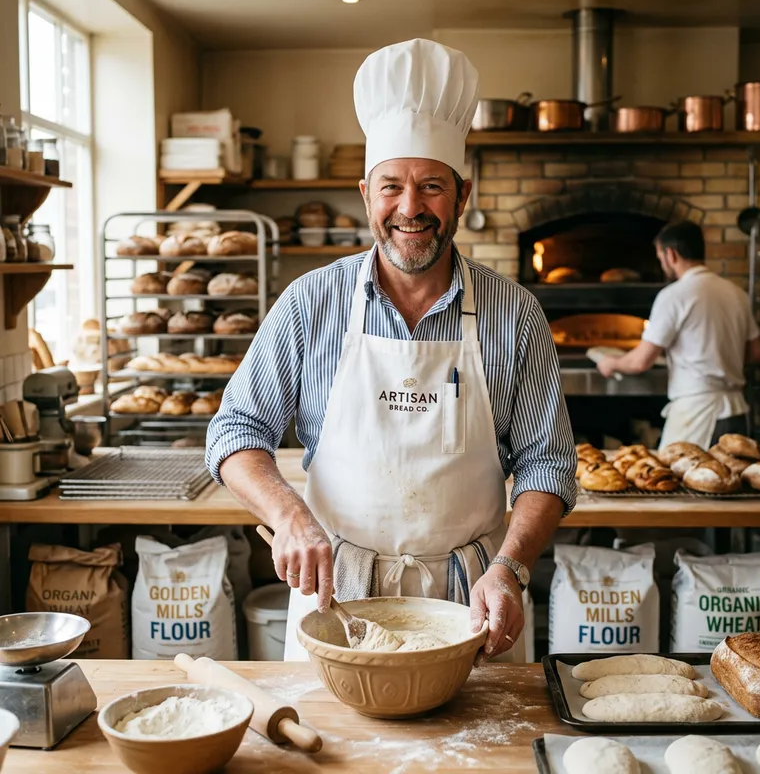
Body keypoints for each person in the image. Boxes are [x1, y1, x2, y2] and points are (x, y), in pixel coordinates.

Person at [206, 38, 576, 662]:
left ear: (463, 194)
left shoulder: (515, 314)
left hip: (475, 606)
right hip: (340, 603)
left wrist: (510, 568)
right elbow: (235, 429)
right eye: (391, 187)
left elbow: (548, 463)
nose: (411, 208)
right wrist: (291, 516)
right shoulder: (310, 303)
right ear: (365, 193)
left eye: (432, 186)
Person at [597, 220, 760, 449]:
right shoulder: (737, 293)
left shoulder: (674, 295)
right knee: (731, 482)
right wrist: (722, 361)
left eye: (660, 257)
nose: (662, 263)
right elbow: (755, 353)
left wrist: (611, 362)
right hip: (737, 411)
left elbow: (641, 361)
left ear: (671, 254)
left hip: (697, 413)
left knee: (678, 482)